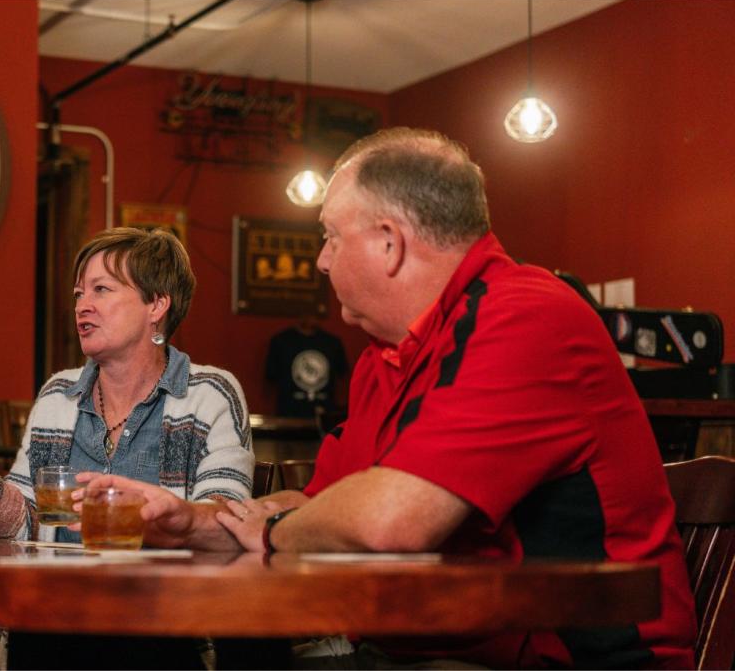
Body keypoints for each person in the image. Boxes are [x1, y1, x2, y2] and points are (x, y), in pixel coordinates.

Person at [81, 128, 696, 669]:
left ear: (388, 242)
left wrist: (277, 532)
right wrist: (193, 521)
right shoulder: (388, 354)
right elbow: (322, 506)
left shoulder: (526, 315)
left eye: (329, 237)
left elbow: (384, 523)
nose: (320, 261)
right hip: (429, 652)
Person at [0, 227, 254, 544]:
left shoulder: (209, 395)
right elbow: (23, 526)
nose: (83, 306)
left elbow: (226, 522)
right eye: (79, 294)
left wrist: (163, 517)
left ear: (157, 304)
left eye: (101, 290)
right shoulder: (59, 394)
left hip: (163, 608)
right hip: (57, 604)